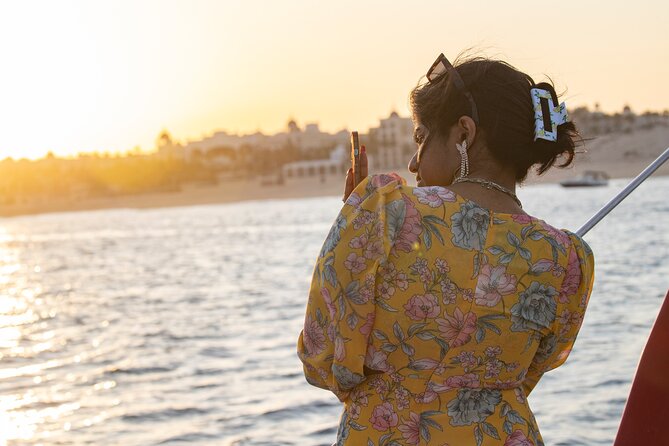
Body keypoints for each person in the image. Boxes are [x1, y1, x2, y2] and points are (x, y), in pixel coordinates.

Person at [297, 53, 595, 446]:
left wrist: (357, 228)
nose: (412, 160)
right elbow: (526, 374)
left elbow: (322, 360)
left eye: (421, 138)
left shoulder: (386, 211)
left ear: (463, 134)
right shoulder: (567, 257)